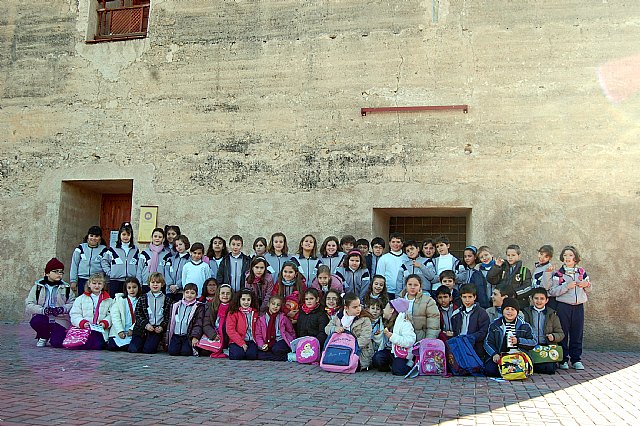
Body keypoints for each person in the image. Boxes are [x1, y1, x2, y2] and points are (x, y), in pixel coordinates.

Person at [549, 245, 591, 370]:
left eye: (570, 255)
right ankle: (563, 360)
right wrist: (566, 286)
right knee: (563, 333)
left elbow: (590, 288)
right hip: (563, 306)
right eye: (565, 255)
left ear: (576, 258)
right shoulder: (558, 274)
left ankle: (576, 359)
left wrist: (586, 284)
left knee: (577, 333)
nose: (567, 258)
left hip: (578, 307)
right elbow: (553, 291)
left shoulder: (582, 272)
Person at [25, 258, 75, 348]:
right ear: (47, 273)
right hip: (44, 317)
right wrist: (43, 310)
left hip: (60, 319)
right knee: (36, 321)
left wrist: (62, 309)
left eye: (61, 272)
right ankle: (44, 336)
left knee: (57, 343)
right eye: (56, 271)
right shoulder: (37, 287)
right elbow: (29, 305)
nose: (59, 274)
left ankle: (54, 335)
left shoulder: (66, 288)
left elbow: (73, 303)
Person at [483, 298, 537, 377]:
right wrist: (494, 354)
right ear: (502, 310)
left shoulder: (524, 325)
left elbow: (533, 342)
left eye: (513, 309)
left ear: (517, 312)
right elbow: (487, 342)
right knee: (490, 370)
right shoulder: (495, 324)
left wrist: (518, 341)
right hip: (500, 355)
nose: (510, 312)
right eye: (507, 309)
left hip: (518, 356)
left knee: (519, 370)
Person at [325, 292, 374, 371]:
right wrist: (335, 329)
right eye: (354, 307)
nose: (358, 309)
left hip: (358, 353)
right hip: (340, 350)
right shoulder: (339, 316)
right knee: (335, 364)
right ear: (346, 308)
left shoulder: (365, 319)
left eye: (359, 306)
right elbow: (327, 329)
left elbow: (365, 338)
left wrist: (350, 346)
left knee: (351, 365)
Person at [521, 287, 565, 374]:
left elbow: (560, 333)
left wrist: (553, 336)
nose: (539, 301)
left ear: (546, 300)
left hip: (545, 347)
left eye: (542, 299)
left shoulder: (552, 314)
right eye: (536, 298)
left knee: (549, 369)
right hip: (530, 346)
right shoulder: (525, 312)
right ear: (531, 299)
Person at [370, 298, 416, 375]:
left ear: (392, 310)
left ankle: (409, 364)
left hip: (401, 353)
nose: (383, 310)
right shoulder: (383, 321)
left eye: (386, 308)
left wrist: (392, 336)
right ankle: (390, 366)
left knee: (398, 371)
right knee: (377, 359)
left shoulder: (404, 323)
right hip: (389, 351)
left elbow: (410, 341)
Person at [130, 272, 172, 354]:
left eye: (158, 282)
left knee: (148, 350)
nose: (155, 285)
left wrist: (162, 326)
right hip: (143, 328)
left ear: (162, 284)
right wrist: (146, 324)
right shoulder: (143, 298)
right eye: (153, 282)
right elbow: (138, 314)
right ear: (149, 284)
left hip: (156, 329)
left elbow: (168, 316)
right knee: (134, 349)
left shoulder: (167, 300)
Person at [69, 272, 113, 350]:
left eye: (99, 283)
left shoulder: (109, 300)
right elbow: (74, 314)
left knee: (98, 345)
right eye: (94, 283)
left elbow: (111, 315)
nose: (97, 286)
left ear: (103, 285)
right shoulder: (80, 299)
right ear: (89, 284)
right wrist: (82, 323)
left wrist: (104, 323)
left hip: (100, 330)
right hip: (84, 329)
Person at [101, 222, 141, 297]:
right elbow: (104, 261)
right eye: (123, 234)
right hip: (116, 281)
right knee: (115, 303)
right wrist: (110, 273)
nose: (126, 237)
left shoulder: (135, 250)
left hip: (130, 282)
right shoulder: (113, 249)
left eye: (128, 235)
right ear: (120, 235)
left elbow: (139, 265)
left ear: (131, 236)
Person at [451, 284, 490, 359]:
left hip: (475, 348)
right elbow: (455, 330)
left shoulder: (481, 313)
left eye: (470, 297)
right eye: (464, 297)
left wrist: (469, 338)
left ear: (475, 297)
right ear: (461, 298)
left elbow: (483, 332)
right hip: (459, 347)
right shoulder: (457, 313)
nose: (467, 300)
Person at [167, 283, 205, 356]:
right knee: (172, 352)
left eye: (192, 293)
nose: (189, 295)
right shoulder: (177, 305)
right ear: (183, 293)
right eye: (187, 292)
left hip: (187, 335)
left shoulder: (198, 307)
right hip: (176, 334)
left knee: (185, 352)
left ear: (196, 295)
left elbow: (198, 323)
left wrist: (195, 336)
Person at [256, 295, 296, 361]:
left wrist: (292, 342)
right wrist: (261, 345)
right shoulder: (261, 319)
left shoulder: (283, 318)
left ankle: (289, 356)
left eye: (278, 305)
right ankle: (286, 357)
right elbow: (258, 335)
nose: (275, 306)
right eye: (273, 304)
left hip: (281, 340)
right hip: (267, 341)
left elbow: (291, 331)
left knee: (276, 349)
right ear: (268, 304)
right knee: (260, 355)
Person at [399, 274, 440, 340]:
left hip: (420, 339)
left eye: (416, 285)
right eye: (410, 284)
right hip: (401, 339)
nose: (412, 287)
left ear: (420, 286)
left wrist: (428, 340)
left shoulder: (428, 301)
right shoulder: (399, 300)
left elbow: (433, 324)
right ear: (406, 286)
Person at [107, 276, 142, 351]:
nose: (132, 290)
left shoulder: (142, 300)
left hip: (134, 331)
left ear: (138, 287)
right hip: (120, 331)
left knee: (133, 349)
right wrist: (120, 331)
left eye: (134, 287)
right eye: (129, 288)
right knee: (112, 347)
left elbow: (141, 317)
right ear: (126, 289)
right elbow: (115, 317)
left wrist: (133, 329)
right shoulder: (119, 300)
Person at [69, 225, 107, 295]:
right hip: (82, 280)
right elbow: (74, 264)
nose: (93, 238)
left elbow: (106, 266)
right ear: (88, 236)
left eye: (96, 236)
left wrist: (105, 280)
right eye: (91, 235)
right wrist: (73, 280)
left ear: (100, 238)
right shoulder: (80, 248)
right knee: (83, 301)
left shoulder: (104, 250)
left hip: (97, 281)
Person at [495, 244, 533, 309]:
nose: (510, 257)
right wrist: (496, 267)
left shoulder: (524, 271)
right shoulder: (502, 269)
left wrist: (514, 294)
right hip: (503, 304)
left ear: (519, 256)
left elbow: (528, 288)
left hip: (519, 304)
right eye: (508, 255)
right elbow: (492, 279)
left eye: (513, 255)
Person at [226, 288, 259, 360]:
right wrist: (241, 343)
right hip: (236, 340)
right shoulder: (233, 313)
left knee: (251, 356)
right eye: (243, 299)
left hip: (251, 340)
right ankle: (228, 350)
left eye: (248, 300)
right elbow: (230, 330)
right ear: (239, 300)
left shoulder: (255, 313)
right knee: (238, 356)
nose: (246, 302)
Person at [201, 283, 233, 355]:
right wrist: (213, 335)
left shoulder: (234, 308)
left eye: (228, 293)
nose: (225, 295)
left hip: (229, 337)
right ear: (218, 294)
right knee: (204, 352)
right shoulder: (211, 306)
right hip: (215, 335)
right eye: (222, 293)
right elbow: (206, 324)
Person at [376, 233, 407, 301]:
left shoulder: (406, 258)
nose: (395, 244)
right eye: (393, 242)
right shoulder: (384, 258)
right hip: (388, 292)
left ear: (402, 244)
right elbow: (379, 276)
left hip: (404, 292)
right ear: (389, 243)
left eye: (398, 242)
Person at [165, 235, 191, 302]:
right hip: (169, 290)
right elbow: (166, 272)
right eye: (176, 245)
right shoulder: (171, 259)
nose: (178, 247)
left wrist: (177, 286)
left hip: (181, 291)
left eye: (180, 244)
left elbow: (187, 275)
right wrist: (170, 285)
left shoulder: (189, 260)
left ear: (186, 244)